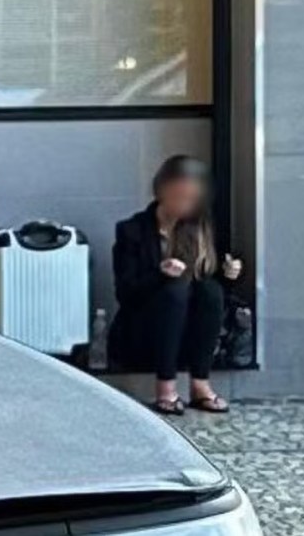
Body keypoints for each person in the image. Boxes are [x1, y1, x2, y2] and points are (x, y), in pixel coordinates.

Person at [108, 155, 243, 415]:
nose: (185, 204)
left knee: (210, 289)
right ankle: (166, 387)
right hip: (144, 333)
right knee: (174, 291)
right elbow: (125, 294)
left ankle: (200, 384)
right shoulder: (132, 231)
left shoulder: (200, 229)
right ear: (161, 190)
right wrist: (160, 275)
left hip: (187, 337)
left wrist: (230, 275)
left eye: (192, 198)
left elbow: (213, 295)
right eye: (179, 195)